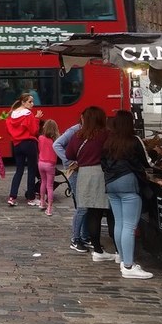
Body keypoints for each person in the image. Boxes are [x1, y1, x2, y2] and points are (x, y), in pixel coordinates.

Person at [103, 110, 154, 279]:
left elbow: (103, 162)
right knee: (130, 226)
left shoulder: (108, 141)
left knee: (119, 223)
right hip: (128, 182)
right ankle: (129, 266)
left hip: (110, 184)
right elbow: (147, 162)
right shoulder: (134, 140)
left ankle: (122, 258)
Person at [66, 106, 115, 262]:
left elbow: (69, 154)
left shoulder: (77, 135)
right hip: (100, 173)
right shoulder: (106, 135)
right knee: (102, 212)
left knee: (92, 212)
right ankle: (105, 249)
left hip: (84, 174)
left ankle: (97, 249)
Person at [53, 119, 89, 253]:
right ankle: (76, 238)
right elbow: (57, 144)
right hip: (75, 171)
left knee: (87, 206)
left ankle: (85, 236)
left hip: (83, 171)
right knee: (82, 206)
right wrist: (69, 160)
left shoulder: (87, 131)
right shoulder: (74, 130)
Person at [6, 93, 43, 206]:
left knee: (19, 171)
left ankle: (12, 197)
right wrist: (37, 119)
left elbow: (9, 129)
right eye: (30, 101)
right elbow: (34, 131)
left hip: (17, 144)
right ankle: (31, 198)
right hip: (29, 143)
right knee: (31, 171)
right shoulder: (29, 114)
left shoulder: (11, 115)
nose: (32, 104)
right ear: (23, 102)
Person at [38, 119, 60, 216]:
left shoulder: (41, 138)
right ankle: (49, 208)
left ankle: (42, 202)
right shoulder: (55, 140)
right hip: (50, 164)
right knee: (50, 186)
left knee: (43, 182)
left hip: (41, 163)